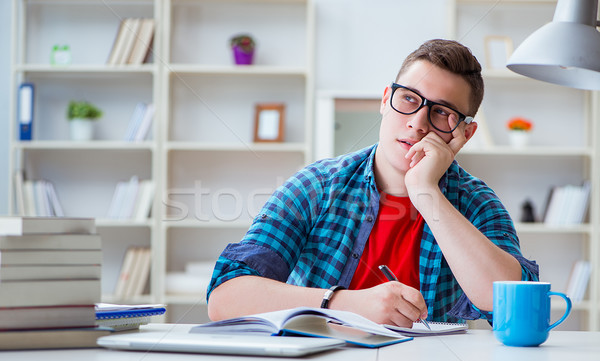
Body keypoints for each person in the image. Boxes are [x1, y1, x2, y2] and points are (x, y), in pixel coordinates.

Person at [206, 39, 539, 327]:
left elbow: (512, 304)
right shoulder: (316, 186)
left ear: (465, 134)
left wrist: (425, 191)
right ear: (385, 100)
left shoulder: (476, 202)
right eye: (409, 98)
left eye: (442, 113)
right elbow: (226, 297)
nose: (417, 123)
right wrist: (344, 304)